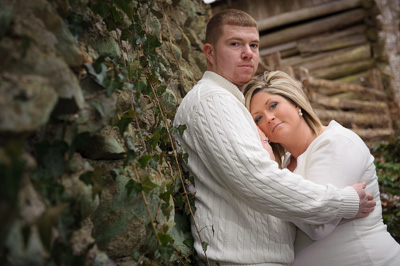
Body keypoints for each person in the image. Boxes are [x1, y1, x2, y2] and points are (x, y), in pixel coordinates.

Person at [173, 9, 375, 265]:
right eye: (235, 44)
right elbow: (256, 180)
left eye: (254, 45)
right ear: (210, 53)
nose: (248, 52)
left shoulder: (227, 102)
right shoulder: (213, 101)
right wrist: (342, 202)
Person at [243, 70, 400, 265]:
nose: (269, 118)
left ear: (295, 102)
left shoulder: (335, 142)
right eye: (258, 118)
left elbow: (318, 225)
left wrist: (276, 183)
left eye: (273, 105)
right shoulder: (281, 167)